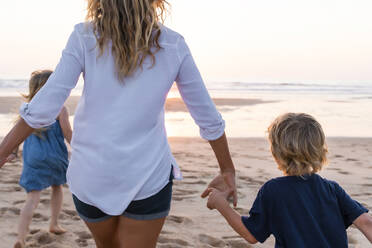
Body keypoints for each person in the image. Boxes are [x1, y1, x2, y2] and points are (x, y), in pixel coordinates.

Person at [0, 1, 237, 247]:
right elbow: (207, 116)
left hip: (91, 176)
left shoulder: (84, 36)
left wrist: (4, 150)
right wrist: (226, 169)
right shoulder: (172, 43)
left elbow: (43, 107)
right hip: (148, 177)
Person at [206, 113, 372, 247]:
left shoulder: (273, 190)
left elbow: (251, 235)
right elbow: (366, 222)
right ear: (320, 149)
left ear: (276, 151)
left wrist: (221, 205)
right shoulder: (332, 189)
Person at [8, 70, 73, 248]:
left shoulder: (28, 109)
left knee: (32, 198)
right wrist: (79, 148)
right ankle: (54, 223)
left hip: (34, 159)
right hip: (55, 156)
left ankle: (21, 237)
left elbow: (15, 135)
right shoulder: (60, 109)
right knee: (57, 187)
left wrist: (13, 152)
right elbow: (67, 132)